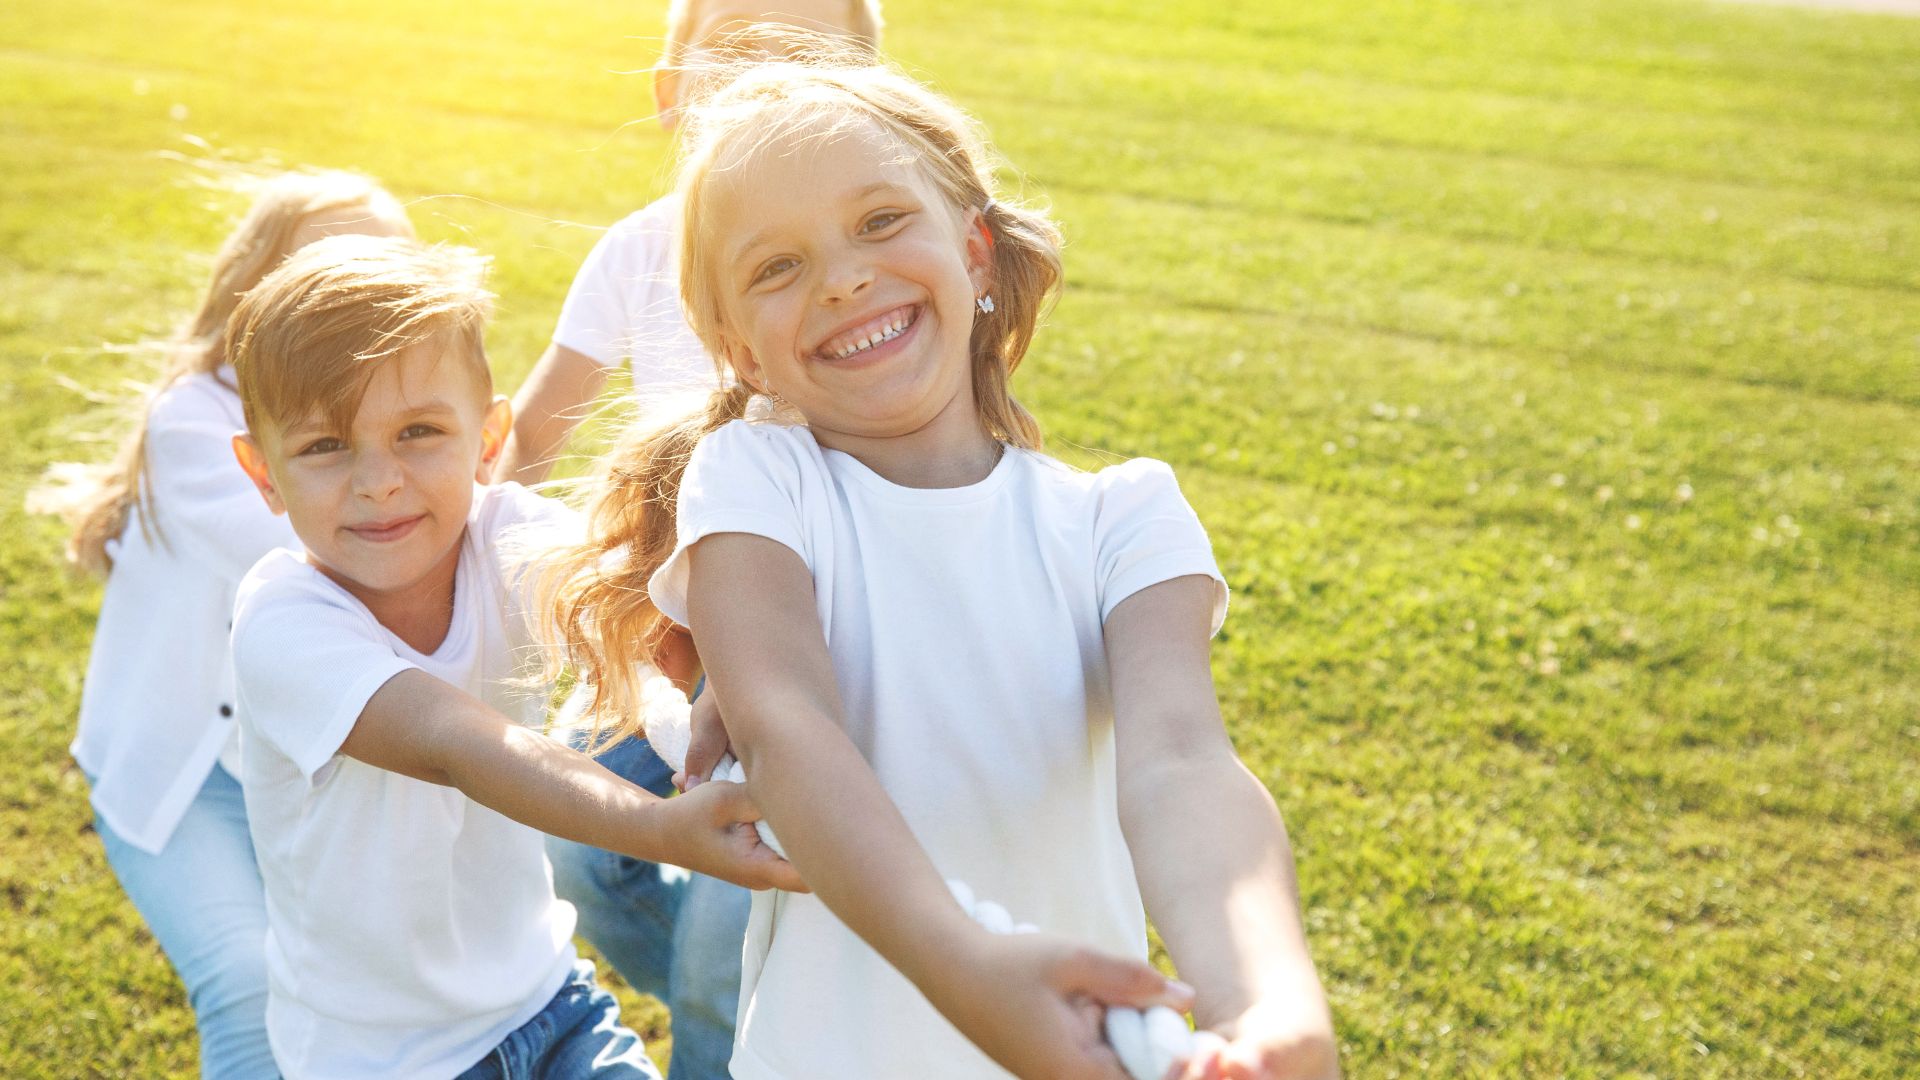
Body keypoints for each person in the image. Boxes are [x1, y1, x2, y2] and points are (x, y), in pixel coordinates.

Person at [538, 51, 1339, 1080]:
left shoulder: (1121, 521)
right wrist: (968, 970)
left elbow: (1181, 761)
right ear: (737, 351)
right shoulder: (756, 483)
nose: (843, 277)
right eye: (776, 267)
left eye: (880, 221)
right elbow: (787, 727)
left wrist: (1265, 1001)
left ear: (973, 253)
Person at [221, 234, 801, 1079]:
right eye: (325, 446)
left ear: (490, 437)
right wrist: (662, 828)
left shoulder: (508, 533)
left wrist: (703, 687)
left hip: (550, 1003)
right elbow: (462, 747)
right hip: (384, 1058)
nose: (378, 480)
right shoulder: (282, 623)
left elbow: (637, 619)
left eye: (418, 431)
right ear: (262, 471)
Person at [497, 6, 881, 1075]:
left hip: (808, 656)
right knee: (579, 856)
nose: (772, 77)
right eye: (744, 46)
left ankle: (750, 1025)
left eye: (808, 54)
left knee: (721, 957)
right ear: (670, 91)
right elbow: (531, 435)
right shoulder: (635, 253)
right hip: (672, 641)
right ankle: (801, 1019)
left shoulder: (862, 275)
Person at [27, 170, 413, 1079]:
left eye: (385, 273)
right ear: (256, 289)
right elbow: (335, 553)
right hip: (182, 773)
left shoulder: (393, 426)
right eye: (328, 268)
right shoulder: (196, 420)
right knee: (248, 982)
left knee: (357, 1006)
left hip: (308, 775)